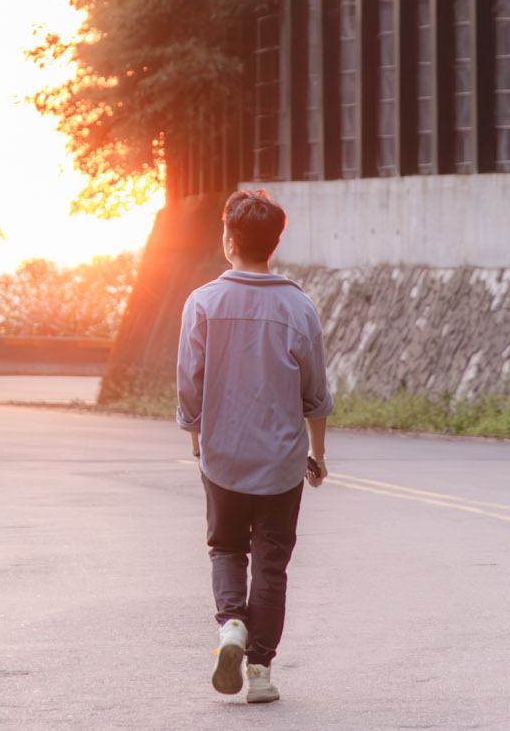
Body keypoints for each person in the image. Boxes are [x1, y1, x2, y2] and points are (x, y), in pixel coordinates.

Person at [175, 188, 331, 705]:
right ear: (275, 242)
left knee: (225, 548)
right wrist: (318, 453)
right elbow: (315, 394)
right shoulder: (298, 306)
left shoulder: (203, 303)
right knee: (270, 562)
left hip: (222, 456)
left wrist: (199, 441)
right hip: (282, 463)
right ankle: (260, 672)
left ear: (228, 240)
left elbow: (189, 384)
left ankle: (231, 628)